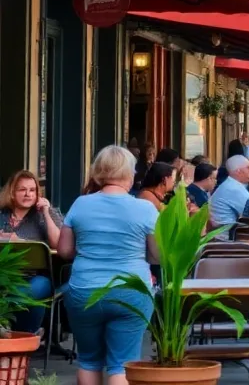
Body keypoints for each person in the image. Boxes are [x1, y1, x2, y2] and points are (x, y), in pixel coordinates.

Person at [59, 145, 159, 384]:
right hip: (131, 290)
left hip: (85, 289)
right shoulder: (145, 208)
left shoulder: (80, 204)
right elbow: (158, 256)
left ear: (98, 171)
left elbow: (64, 251)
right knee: (122, 364)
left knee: (88, 360)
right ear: (130, 173)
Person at [0, 170, 62, 335]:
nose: (28, 194)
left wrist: (46, 212)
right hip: (4, 275)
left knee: (29, 291)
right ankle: (28, 335)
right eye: (22, 190)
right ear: (12, 192)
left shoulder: (45, 214)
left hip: (36, 276)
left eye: (32, 190)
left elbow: (58, 243)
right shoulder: (2, 214)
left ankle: (21, 333)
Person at [210, 154, 249, 229]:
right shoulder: (234, 189)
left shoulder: (230, 184)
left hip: (228, 231)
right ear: (238, 171)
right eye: (248, 168)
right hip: (227, 234)